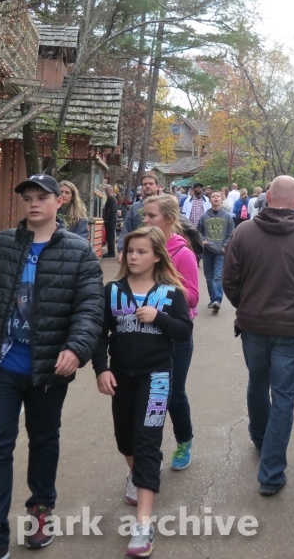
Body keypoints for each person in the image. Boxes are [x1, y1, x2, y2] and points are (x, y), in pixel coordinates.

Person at [0, 173, 104, 559]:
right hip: (0, 364)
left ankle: (40, 511)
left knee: (44, 439)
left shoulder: (79, 251)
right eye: (28, 197)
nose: (34, 203)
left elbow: (89, 308)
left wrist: (76, 348)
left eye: (42, 197)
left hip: (49, 367)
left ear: (59, 201)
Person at [92, 226, 192, 558]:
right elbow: (99, 334)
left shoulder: (171, 293)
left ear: (157, 256)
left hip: (157, 378)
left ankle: (143, 525)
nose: (133, 257)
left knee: (147, 442)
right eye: (129, 251)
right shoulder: (112, 291)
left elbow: (184, 331)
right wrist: (101, 368)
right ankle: (135, 473)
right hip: (121, 377)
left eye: (141, 252)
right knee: (125, 439)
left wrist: (159, 318)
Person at [222, 175, 294, 496]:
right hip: (291, 329)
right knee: (283, 397)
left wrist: (246, 305)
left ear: (267, 196)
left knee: (257, 382)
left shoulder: (244, 232)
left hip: (253, 325)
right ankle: (271, 472)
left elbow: (229, 280)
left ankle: (260, 438)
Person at [142, 194, 200, 472]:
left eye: (151, 216)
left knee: (173, 395)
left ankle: (184, 441)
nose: (145, 220)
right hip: (145, 333)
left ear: (169, 219)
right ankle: (149, 451)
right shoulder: (142, 249)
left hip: (176, 335)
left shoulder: (182, 253)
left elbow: (193, 297)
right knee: (150, 395)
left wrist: (162, 288)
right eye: (145, 215)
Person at [197, 191, 234, 314]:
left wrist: (225, 246)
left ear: (221, 199)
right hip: (208, 251)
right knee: (209, 277)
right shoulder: (204, 216)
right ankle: (212, 299)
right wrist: (203, 239)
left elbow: (231, 234)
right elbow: (199, 231)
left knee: (217, 276)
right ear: (210, 200)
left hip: (221, 252)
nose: (216, 198)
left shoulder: (227, 217)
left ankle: (217, 300)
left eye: (218, 196)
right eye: (213, 197)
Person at [119, 174, 160, 257]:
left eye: (151, 183)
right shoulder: (135, 207)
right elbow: (126, 230)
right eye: (145, 184)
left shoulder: (165, 205)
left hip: (160, 250)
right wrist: (122, 250)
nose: (147, 186)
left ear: (157, 186)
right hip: (139, 252)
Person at [103, 185, 118, 258]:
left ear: (111, 190)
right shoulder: (112, 198)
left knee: (110, 236)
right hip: (111, 220)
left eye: (107, 191)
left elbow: (110, 210)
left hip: (110, 221)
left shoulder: (111, 199)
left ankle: (111, 252)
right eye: (105, 191)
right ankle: (111, 251)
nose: (106, 192)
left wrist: (106, 219)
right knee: (110, 236)